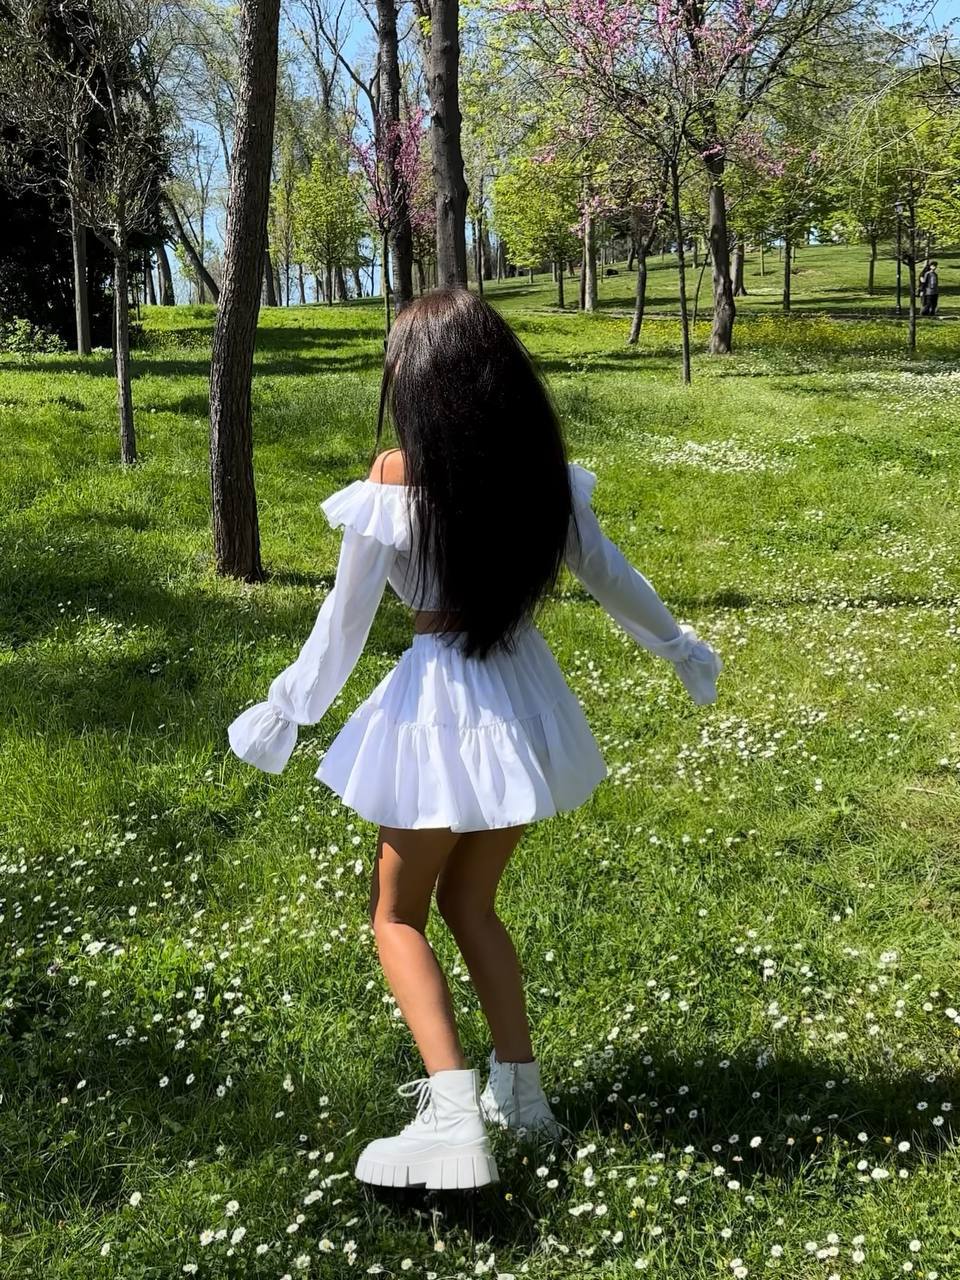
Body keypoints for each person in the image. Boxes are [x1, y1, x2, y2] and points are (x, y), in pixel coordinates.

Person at [227, 288, 723, 1192]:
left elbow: (344, 621)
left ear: (420, 387)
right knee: (473, 906)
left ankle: (454, 1116)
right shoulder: (542, 477)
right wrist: (678, 648)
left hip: (438, 707)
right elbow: (612, 576)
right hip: (523, 708)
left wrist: (290, 709)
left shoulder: (396, 479)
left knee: (396, 915)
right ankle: (522, 1100)